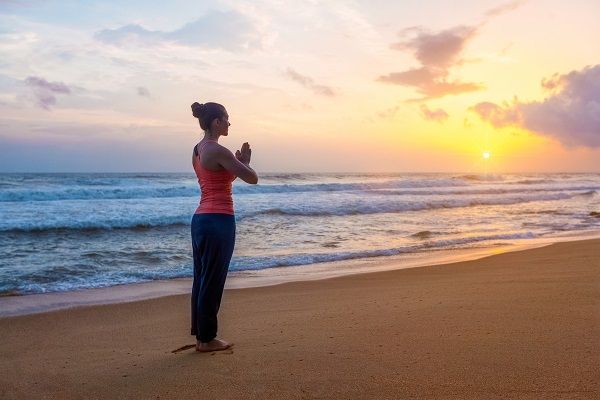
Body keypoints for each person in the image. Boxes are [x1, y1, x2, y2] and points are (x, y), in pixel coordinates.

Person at [190, 101, 258, 352]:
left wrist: (235, 165)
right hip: (219, 219)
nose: (229, 123)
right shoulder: (218, 150)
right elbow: (252, 178)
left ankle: (201, 336)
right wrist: (246, 163)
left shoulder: (198, 149)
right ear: (216, 122)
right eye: (226, 119)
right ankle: (207, 340)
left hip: (200, 220)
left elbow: (216, 179)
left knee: (202, 279)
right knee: (213, 280)